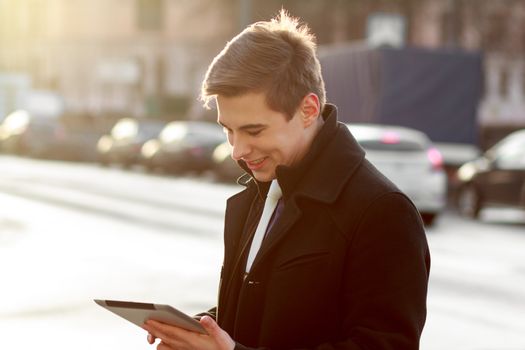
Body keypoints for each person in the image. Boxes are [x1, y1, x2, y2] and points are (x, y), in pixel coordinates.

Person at [143, 9, 430, 350]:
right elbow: (267, 315)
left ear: (308, 109)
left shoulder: (382, 211)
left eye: (253, 130)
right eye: (228, 130)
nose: (237, 150)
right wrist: (201, 331)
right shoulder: (261, 191)